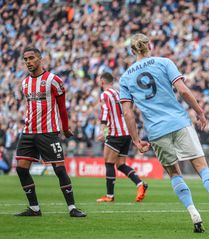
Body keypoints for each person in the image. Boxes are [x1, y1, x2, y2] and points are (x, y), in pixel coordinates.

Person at [119, 33, 209, 233]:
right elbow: (183, 90)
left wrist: (137, 141)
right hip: (180, 122)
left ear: (132, 50)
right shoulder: (164, 62)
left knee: (174, 174)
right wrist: (199, 112)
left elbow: (127, 112)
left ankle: (194, 215)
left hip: (156, 130)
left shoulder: (126, 77)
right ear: (149, 46)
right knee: (201, 166)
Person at [14, 47, 86, 217]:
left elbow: (62, 107)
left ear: (40, 58)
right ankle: (34, 208)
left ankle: (72, 208)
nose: (28, 62)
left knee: (59, 170)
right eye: (25, 59)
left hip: (48, 132)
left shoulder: (53, 80)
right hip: (29, 132)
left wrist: (66, 128)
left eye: (31, 58)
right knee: (21, 169)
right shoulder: (24, 83)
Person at [96, 72, 148, 202]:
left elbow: (105, 111)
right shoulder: (119, 93)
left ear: (102, 81)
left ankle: (109, 196)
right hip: (127, 132)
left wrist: (102, 130)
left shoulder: (104, 94)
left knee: (109, 163)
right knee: (120, 165)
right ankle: (140, 184)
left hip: (115, 133)